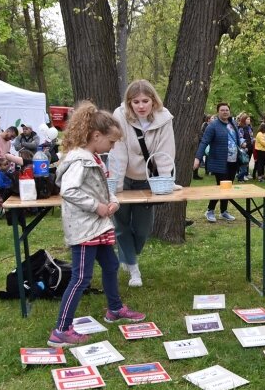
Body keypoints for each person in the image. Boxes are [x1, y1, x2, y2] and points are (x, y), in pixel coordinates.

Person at [47, 101, 146, 348]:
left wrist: (112, 201)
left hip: (98, 226)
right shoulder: (79, 161)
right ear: (96, 136)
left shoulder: (94, 158)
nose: (111, 147)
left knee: (111, 265)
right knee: (81, 277)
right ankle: (61, 330)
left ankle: (114, 309)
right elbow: (69, 190)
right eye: (110, 143)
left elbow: (104, 187)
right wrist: (97, 206)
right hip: (84, 230)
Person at [109, 79, 176, 288]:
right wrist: (117, 187)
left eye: (145, 101)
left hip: (148, 179)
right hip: (123, 177)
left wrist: (165, 181)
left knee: (142, 229)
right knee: (121, 226)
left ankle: (128, 254)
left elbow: (166, 152)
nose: (140, 106)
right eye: (135, 101)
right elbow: (118, 152)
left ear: (153, 101)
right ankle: (134, 269)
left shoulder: (164, 118)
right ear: (128, 103)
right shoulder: (119, 116)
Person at [193, 102, 239, 223]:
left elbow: (237, 137)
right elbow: (204, 142)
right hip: (220, 161)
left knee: (228, 188)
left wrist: (241, 144)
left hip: (233, 161)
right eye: (222, 110)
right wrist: (198, 158)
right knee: (221, 187)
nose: (225, 112)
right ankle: (210, 210)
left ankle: (224, 212)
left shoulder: (232, 123)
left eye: (227, 110)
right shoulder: (212, 126)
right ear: (218, 112)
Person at [236, 112, 253, 182]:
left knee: (246, 162)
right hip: (243, 148)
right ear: (243, 120)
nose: (248, 120)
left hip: (250, 146)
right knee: (243, 162)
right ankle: (240, 175)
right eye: (247, 119)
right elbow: (240, 138)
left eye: (249, 119)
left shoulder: (249, 127)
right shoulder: (240, 127)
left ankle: (244, 174)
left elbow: (251, 136)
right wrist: (244, 145)